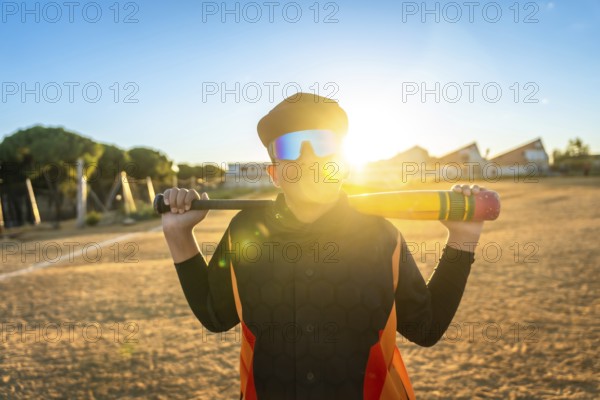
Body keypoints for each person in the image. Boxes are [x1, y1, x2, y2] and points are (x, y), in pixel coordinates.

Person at [161, 93, 485, 400]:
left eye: (323, 143)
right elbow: (216, 316)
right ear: (275, 173)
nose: (309, 157)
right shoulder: (244, 232)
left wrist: (463, 238)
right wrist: (179, 235)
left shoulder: (382, 237)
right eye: (289, 146)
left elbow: (424, 328)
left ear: (343, 164)